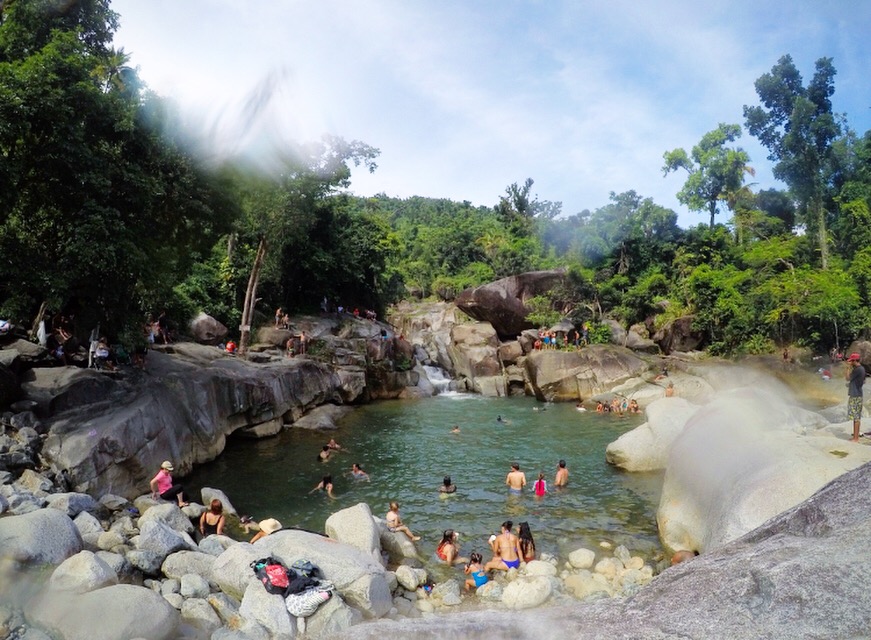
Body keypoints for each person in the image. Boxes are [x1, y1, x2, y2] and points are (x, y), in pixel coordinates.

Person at [846, 353, 866, 442]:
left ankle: (856, 438)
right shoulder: (861, 369)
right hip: (857, 394)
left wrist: (847, 368)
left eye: (851, 361)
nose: (850, 362)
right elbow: (862, 381)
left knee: (856, 417)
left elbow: (847, 378)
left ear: (854, 361)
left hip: (855, 396)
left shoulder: (858, 369)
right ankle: (856, 436)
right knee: (856, 417)